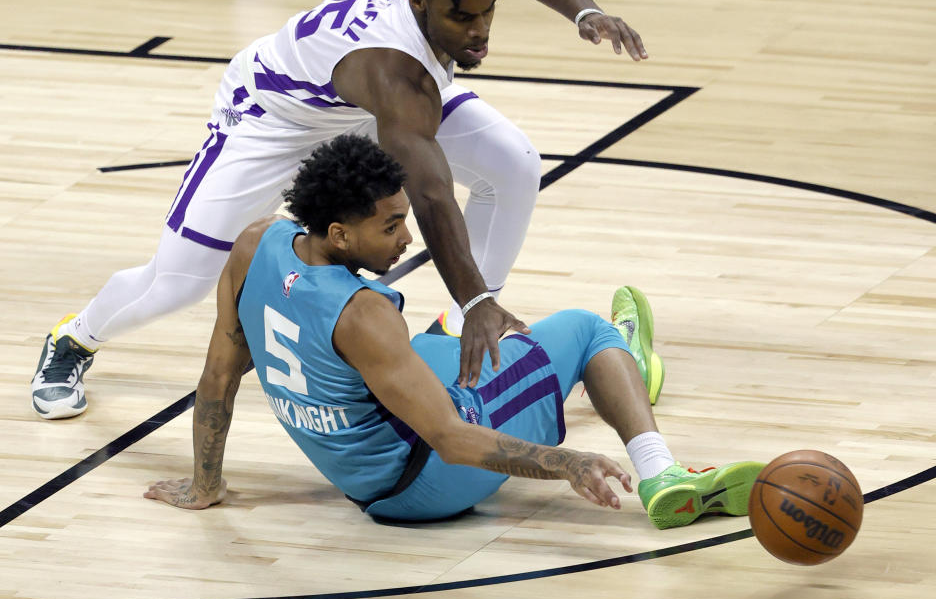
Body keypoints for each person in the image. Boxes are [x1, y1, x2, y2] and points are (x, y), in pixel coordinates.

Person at [32, 0, 651, 420]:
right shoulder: (396, 71)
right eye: (463, 20)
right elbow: (431, 196)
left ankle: (463, 328)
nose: (481, 30)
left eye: (489, 11)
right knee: (179, 283)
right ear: (417, 2)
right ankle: (75, 339)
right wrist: (482, 294)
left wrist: (584, 13)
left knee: (514, 164)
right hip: (273, 118)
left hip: (354, 107)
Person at [145, 135, 762, 529]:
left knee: (445, 337)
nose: (407, 237)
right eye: (390, 227)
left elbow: (218, 377)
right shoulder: (364, 313)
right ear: (339, 234)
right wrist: (568, 463)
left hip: (363, 480)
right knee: (583, 330)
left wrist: (206, 485)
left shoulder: (257, 244)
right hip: (426, 482)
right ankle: (660, 468)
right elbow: (449, 438)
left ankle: (590, 372)